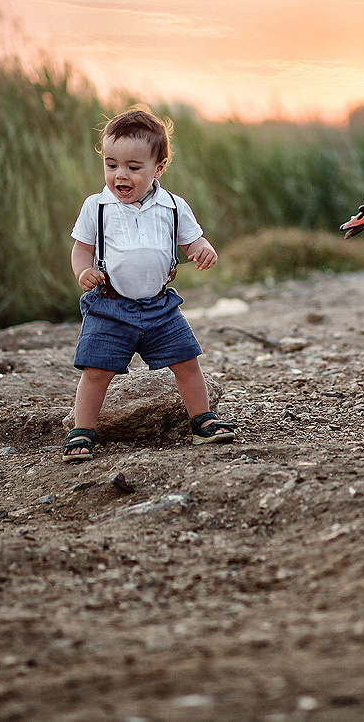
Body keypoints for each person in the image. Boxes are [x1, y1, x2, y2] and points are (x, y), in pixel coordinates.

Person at [63, 104, 235, 462]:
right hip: (109, 305)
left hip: (159, 306)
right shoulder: (96, 207)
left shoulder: (173, 206)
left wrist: (203, 249)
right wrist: (83, 273)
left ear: (158, 168)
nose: (119, 175)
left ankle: (201, 419)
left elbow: (191, 241)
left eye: (132, 167)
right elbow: (82, 249)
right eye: (111, 165)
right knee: (96, 371)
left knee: (187, 361)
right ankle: (82, 430)